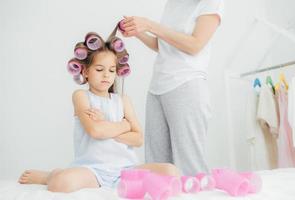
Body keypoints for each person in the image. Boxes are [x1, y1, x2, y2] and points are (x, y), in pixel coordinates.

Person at [18, 31, 180, 193]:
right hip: (92, 170)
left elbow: (138, 139)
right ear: (86, 72)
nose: (106, 75)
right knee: (60, 183)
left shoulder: (123, 100)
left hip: (126, 169)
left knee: (171, 171)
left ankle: (127, 183)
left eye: (111, 70)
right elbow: (95, 131)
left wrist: (106, 126)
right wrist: (124, 125)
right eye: (99, 69)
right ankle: (49, 175)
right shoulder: (81, 96)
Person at [121, 0, 224, 175]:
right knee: (158, 166)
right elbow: (162, 45)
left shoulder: (211, 3)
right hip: (157, 87)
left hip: (186, 85)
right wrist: (138, 32)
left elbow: (194, 45)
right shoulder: (173, 3)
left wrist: (149, 25)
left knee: (190, 166)